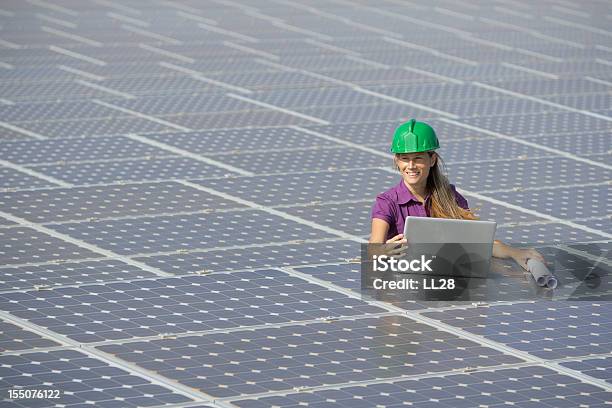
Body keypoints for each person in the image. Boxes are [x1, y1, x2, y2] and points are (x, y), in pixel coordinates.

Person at [370, 119, 544, 270]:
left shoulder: (449, 195)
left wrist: (514, 253)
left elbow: (477, 240)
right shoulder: (387, 202)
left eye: (418, 158)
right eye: (404, 159)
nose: (411, 166)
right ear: (397, 161)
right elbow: (373, 249)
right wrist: (382, 252)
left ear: (432, 160)